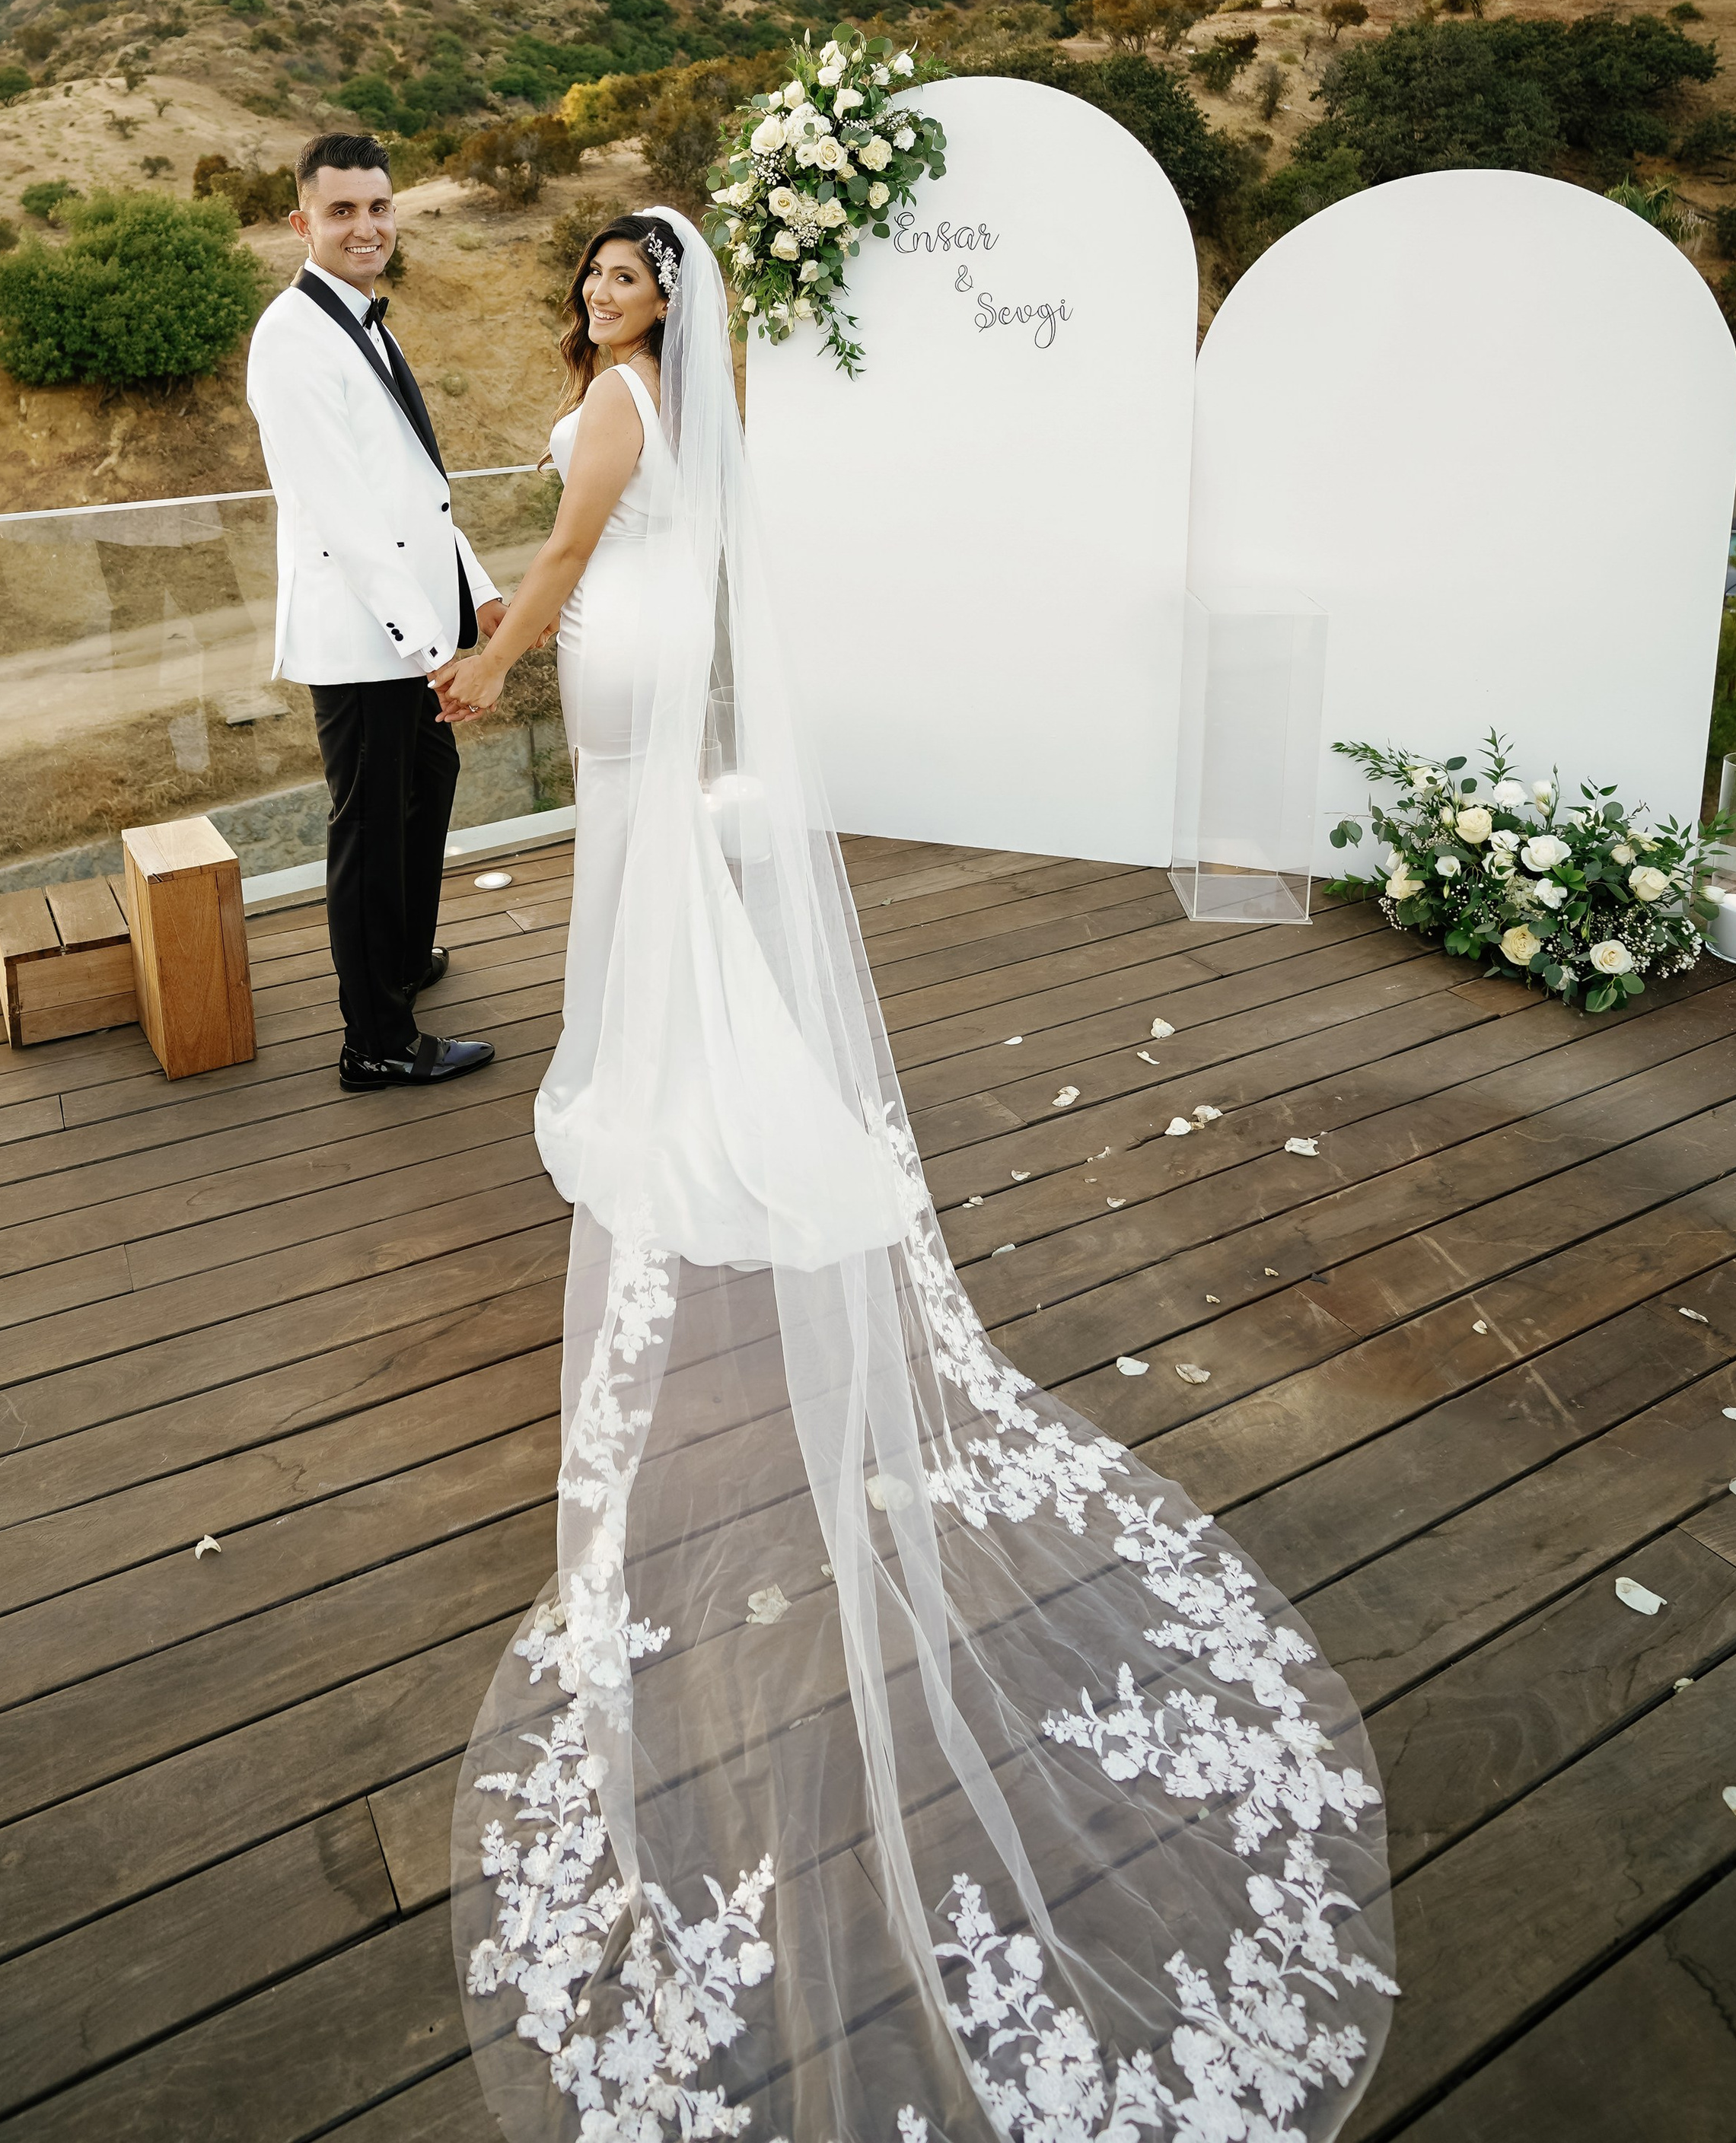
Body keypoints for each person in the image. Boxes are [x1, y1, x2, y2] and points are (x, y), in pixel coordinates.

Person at [439, 207, 1397, 2141]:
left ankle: (656, 1067)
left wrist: (485, 658)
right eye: (599, 272)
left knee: (631, 856)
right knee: (639, 870)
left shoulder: (616, 405)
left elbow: (560, 548)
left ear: (663, 307)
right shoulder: (659, 406)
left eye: (633, 274)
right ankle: (647, 1048)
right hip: (636, 656)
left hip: (602, 658)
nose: (605, 293)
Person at [245, 130, 504, 1092]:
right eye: (343, 209)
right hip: (364, 641)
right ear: (301, 220)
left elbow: (413, 488)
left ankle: (399, 958)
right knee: (369, 828)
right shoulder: (292, 336)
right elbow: (344, 517)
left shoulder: (363, 319)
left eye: (379, 206)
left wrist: (476, 584)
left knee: (425, 788)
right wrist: (439, 650)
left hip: (413, 623)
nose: (367, 225)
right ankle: (376, 1039)